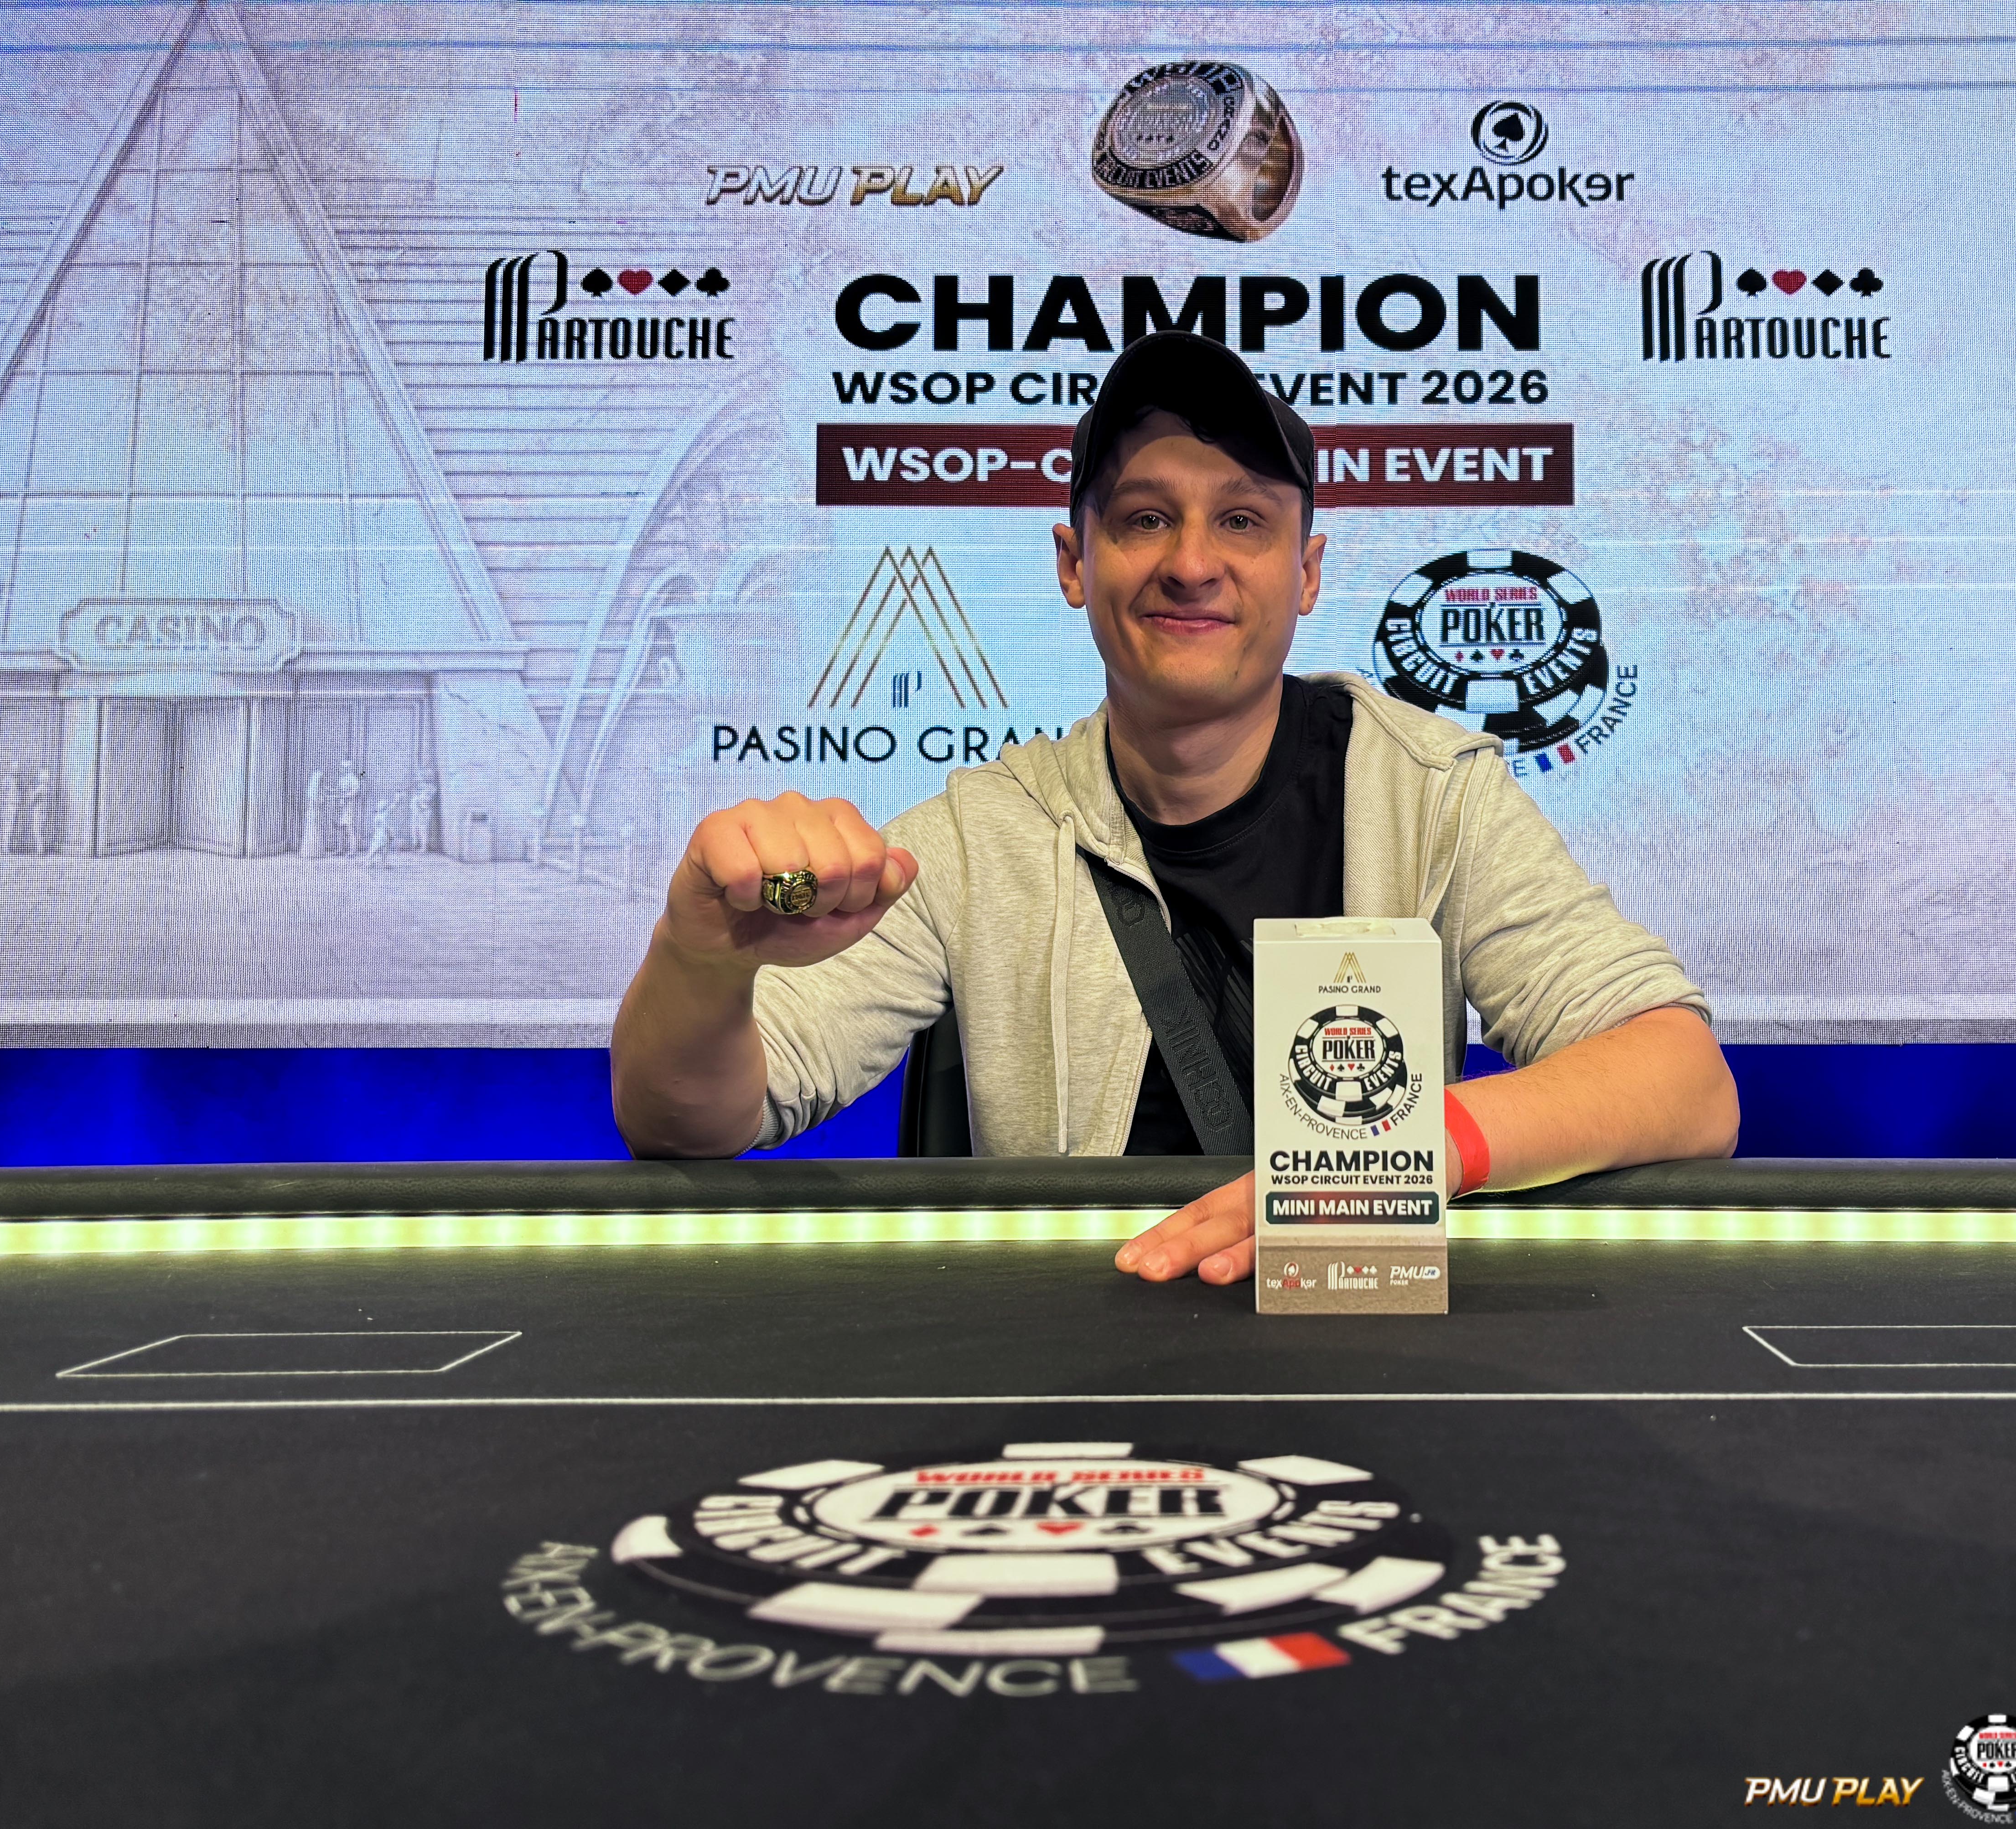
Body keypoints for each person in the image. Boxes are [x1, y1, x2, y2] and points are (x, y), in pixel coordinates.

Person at [612, 332, 1736, 1284]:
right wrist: (699, 961)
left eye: (1242, 521)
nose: (1192, 564)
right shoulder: (972, 838)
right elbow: (688, 1118)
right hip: (1068, 1372)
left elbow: (1685, 1082)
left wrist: (1411, 1152)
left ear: (1307, 571)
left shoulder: (1433, 794)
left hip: (1358, 1355)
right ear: (1074, 562)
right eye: (1146, 518)